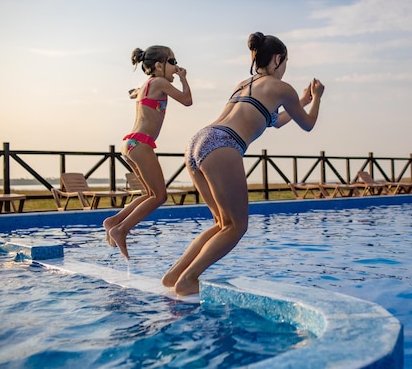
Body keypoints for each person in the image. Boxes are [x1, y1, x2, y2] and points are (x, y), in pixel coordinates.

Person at [161, 32, 324, 296]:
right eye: (285, 63)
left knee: (221, 223)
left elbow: (276, 121)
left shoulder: (243, 84)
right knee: (237, 227)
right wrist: (316, 98)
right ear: (277, 59)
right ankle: (188, 279)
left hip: (198, 142)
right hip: (224, 145)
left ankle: (174, 274)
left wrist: (302, 101)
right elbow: (308, 124)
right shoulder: (282, 88)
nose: (285, 69)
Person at [104, 45, 193, 258]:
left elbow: (132, 93)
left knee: (150, 194)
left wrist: (135, 92)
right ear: (158, 65)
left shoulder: (147, 85)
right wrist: (183, 79)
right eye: (172, 62)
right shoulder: (160, 82)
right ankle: (121, 229)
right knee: (160, 196)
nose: (176, 66)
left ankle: (114, 221)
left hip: (131, 144)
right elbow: (187, 101)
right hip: (141, 144)